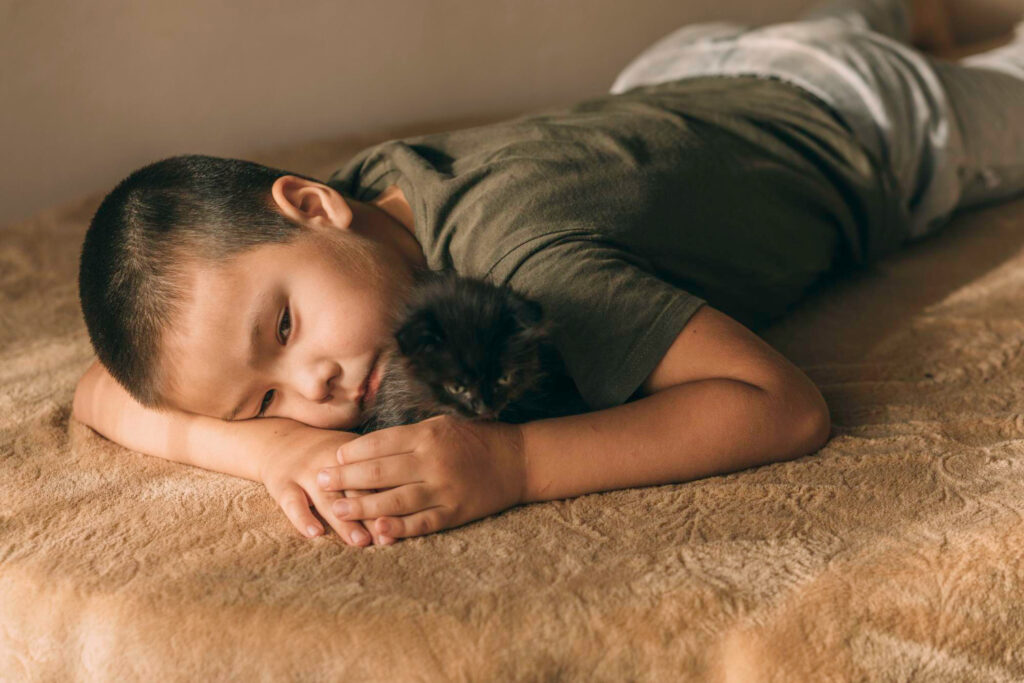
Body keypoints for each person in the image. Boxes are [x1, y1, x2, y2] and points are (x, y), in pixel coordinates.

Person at [73, 0, 1024, 549]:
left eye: (283, 331)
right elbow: (100, 390)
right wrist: (269, 450)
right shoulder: (365, 211)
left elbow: (779, 402)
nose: (312, 388)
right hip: (673, 76)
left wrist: (516, 463)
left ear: (312, 205)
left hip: (860, 121)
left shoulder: (528, 263)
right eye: (264, 401)